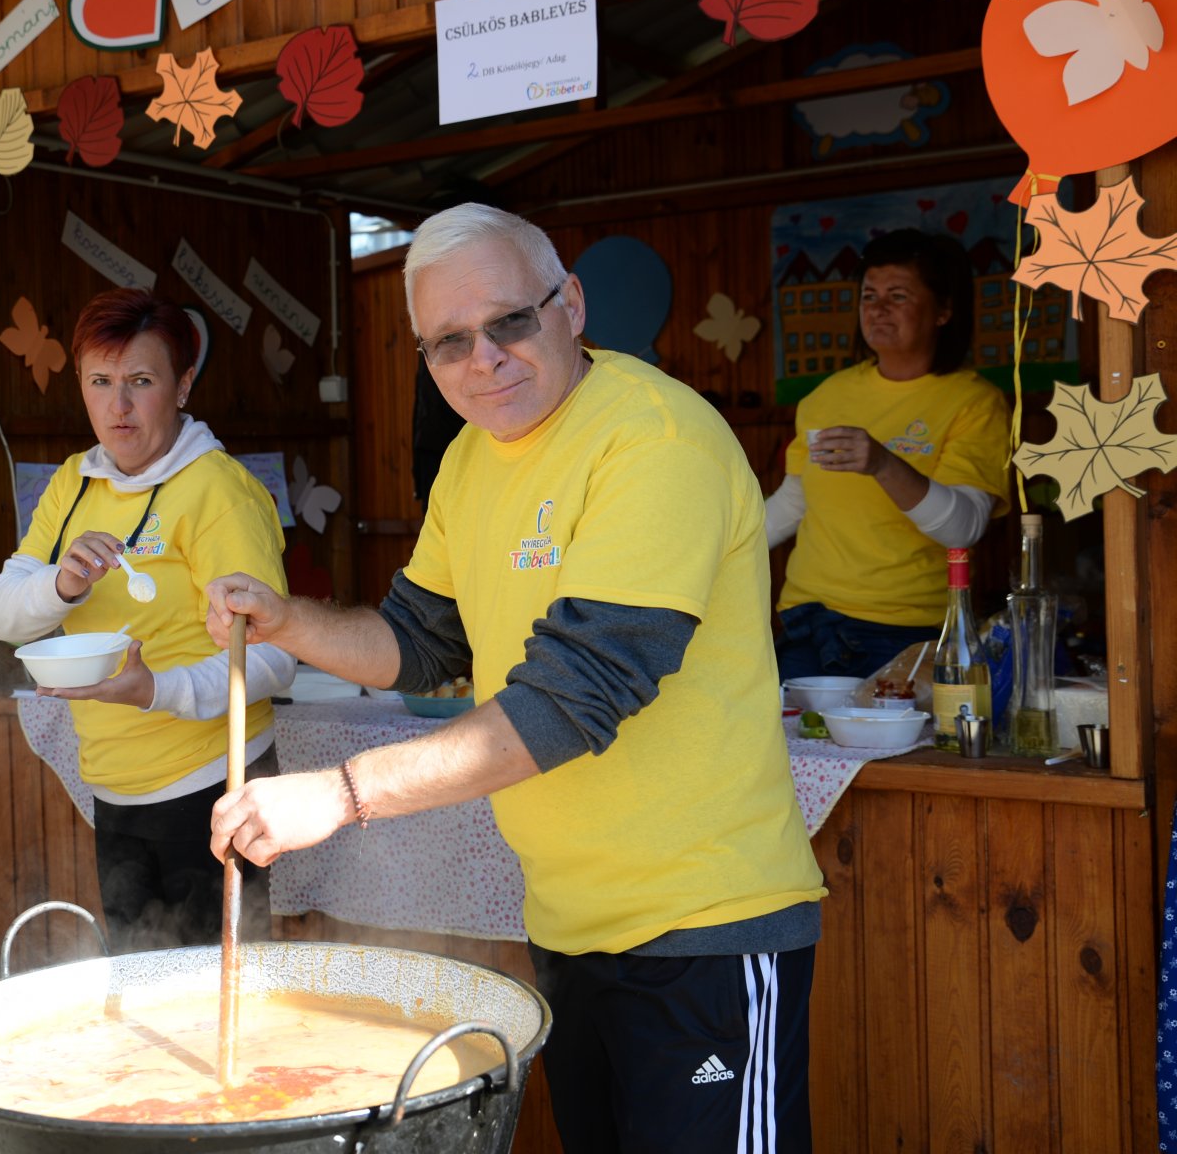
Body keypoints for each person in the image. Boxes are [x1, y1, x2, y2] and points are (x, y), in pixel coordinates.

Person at [203, 205, 825, 1154]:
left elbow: (573, 701)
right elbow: (417, 642)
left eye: (509, 323)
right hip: (571, 925)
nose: (483, 360)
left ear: (569, 305)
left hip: (707, 927)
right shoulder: (470, 459)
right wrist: (289, 622)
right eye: (449, 343)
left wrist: (340, 794)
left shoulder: (656, 440)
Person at [0, 287, 294, 952]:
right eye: (100, 382)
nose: (117, 405)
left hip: (216, 788)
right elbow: (7, 616)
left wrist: (156, 691)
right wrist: (62, 584)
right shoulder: (74, 483)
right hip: (115, 788)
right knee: (141, 994)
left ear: (182, 387)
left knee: (219, 1005)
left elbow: (274, 656)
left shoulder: (217, 490)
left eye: (140, 381)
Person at [766, 229, 1010, 682]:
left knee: (889, 755)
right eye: (869, 295)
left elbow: (964, 527)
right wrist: (712, 545)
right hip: (805, 619)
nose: (877, 309)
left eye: (898, 295)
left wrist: (884, 463)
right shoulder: (827, 395)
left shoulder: (974, 402)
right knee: (790, 750)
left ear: (944, 311)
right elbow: (794, 502)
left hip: (903, 630)